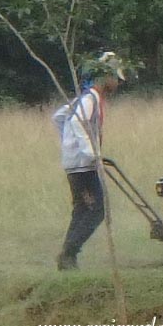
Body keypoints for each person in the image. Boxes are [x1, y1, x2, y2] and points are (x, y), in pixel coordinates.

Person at [53, 52, 125, 270]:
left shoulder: (84, 98)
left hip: (75, 163)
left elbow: (58, 117)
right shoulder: (90, 99)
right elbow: (75, 122)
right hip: (83, 165)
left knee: (83, 209)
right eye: (115, 79)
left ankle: (68, 255)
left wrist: (68, 145)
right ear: (106, 77)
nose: (117, 84)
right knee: (97, 210)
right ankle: (68, 254)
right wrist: (90, 152)